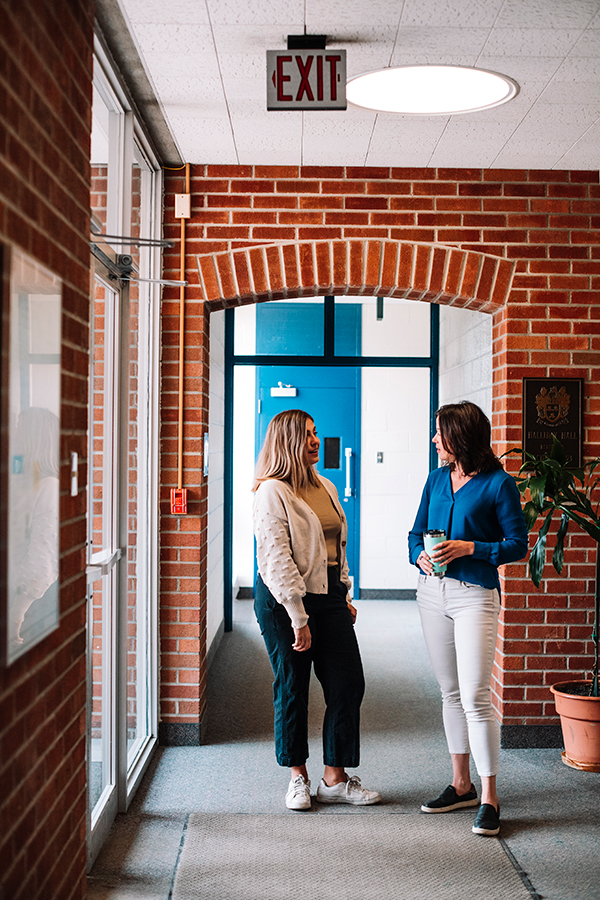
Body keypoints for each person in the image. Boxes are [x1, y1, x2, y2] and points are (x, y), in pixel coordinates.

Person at [408, 401, 527, 836]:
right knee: (449, 692)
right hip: (431, 593)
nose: (434, 440)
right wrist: (418, 555)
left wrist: (470, 548)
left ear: (461, 437)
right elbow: (413, 532)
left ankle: (491, 796)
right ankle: (462, 785)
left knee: (476, 696)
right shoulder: (437, 478)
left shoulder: (499, 485)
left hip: (475, 595)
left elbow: (517, 545)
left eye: (440, 433)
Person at [253, 409, 381, 810]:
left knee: (348, 683)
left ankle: (335, 778)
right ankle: (297, 777)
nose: (315, 440)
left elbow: (336, 546)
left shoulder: (325, 485)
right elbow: (275, 558)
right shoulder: (272, 491)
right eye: (307, 434)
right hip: (283, 601)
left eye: (316, 431)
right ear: (288, 440)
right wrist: (298, 616)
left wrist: (343, 593)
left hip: (328, 596)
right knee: (292, 686)